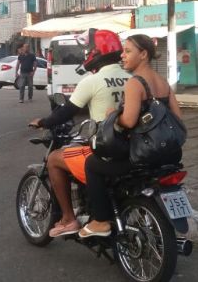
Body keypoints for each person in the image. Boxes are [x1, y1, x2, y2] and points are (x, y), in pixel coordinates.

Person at [28, 29, 131, 237]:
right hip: (131, 145)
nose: (87, 55)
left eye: (89, 50)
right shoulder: (131, 78)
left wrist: (44, 122)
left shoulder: (92, 81)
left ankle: (68, 219)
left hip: (106, 146)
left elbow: (66, 112)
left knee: (55, 159)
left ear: (96, 52)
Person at [79, 34, 182, 238]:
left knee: (92, 164)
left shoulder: (135, 83)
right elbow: (178, 117)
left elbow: (129, 121)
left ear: (143, 54)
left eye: (128, 51)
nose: (122, 56)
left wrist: (112, 116)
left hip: (142, 154)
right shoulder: (163, 83)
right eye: (123, 51)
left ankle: (100, 221)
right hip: (168, 155)